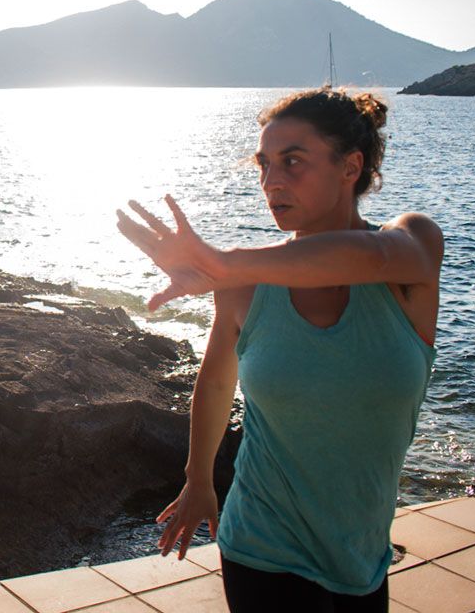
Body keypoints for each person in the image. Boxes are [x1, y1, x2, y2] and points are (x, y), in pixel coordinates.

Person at [115, 86, 443, 613]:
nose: (272, 182)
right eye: (264, 165)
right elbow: (219, 378)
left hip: (361, 553)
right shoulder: (244, 283)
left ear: (350, 166)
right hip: (260, 545)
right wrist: (199, 478)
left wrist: (226, 261)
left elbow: (374, 255)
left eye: (293, 162)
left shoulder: (412, 250)